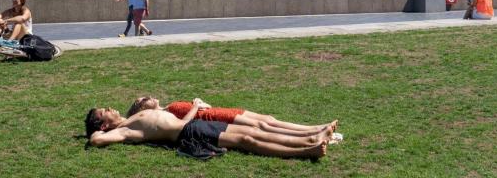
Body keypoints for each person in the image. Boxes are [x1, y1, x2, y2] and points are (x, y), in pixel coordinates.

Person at [85, 99, 329, 159]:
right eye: (104, 111)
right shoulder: (121, 131)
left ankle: (309, 135)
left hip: (196, 125)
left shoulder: (130, 118)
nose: (110, 108)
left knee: (254, 132)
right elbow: (96, 141)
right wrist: (98, 134)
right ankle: (307, 149)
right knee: (248, 138)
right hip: (189, 132)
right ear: (104, 123)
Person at [127, 96, 338, 140]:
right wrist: (196, 105)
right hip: (217, 117)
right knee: (264, 125)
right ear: (142, 108)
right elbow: (186, 123)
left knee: (267, 120)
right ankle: (314, 132)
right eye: (144, 100)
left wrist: (197, 102)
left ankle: (314, 129)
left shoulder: (169, 108)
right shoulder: (165, 113)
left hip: (219, 112)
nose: (149, 96)